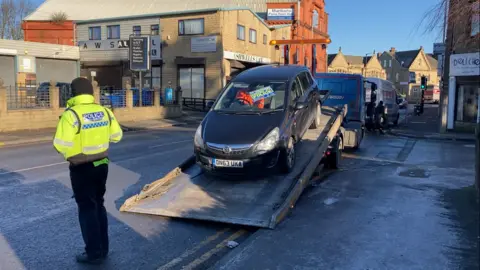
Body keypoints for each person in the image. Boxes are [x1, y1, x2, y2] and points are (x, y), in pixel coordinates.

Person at [53, 77, 123, 264]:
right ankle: (103, 248)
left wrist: (72, 152)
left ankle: (93, 253)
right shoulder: (104, 111)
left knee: (86, 208)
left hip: (81, 168)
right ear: (91, 93)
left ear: (73, 93)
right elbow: (117, 136)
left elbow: (60, 144)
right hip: (102, 164)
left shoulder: (71, 115)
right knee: (99, 204)